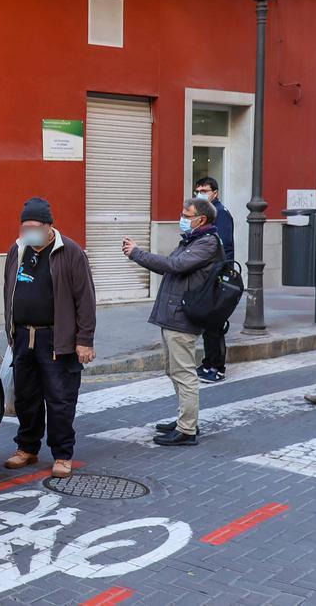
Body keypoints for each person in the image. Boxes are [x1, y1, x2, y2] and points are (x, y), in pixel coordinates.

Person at [1, 197, 96, 479]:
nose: (27, 232)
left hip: (57, 339)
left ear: (48, 226)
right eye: (24, 227)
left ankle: (62, 454)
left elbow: (86, 299)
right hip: (23, 337)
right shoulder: (17, 251)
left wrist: (85, 340)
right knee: (26, 398)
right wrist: (11, 330)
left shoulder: (71, 253)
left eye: (33, 226)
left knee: (60, 399)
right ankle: (27, 448)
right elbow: (9, 290)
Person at [123, 197, 223, 447]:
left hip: (183, 317)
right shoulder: (193, 241)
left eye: (186, 214)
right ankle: (185, 420)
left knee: (184, 373)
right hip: (174, 315)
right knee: (174, 371)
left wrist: (138, 253)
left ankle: (187, 429)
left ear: (200, 219)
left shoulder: (207, 243)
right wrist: (139, 256)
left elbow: (175, 265)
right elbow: (169, 267)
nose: (182, 218)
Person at [193, 177, 235, 383]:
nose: (200, 193)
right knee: (209, 323)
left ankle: (217, 368)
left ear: (215, 193)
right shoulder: (205, 214)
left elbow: (224, 247)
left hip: (216, 276)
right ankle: (208, 362)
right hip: (208, 276)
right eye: (197, 190)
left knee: (214, 324)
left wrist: (218, 275)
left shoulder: (220, 214)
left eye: (204, 190)